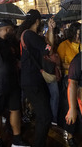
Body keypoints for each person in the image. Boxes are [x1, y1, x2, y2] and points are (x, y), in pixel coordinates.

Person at [17, 9, 55, 147]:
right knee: (45, 116)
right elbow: (49, 50)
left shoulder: (27, 34)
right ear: (38, 21)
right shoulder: (30, 35)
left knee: (42, 115)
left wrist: (50, 29)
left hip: (33, 80)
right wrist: (50, 31)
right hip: (32, 81)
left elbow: (48, 47)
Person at [57, 22, 82, 146]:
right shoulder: (64, 45)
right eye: (77, 34)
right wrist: (74, 66)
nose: (78, 37)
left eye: (80, 34)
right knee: (70, 107)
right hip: (69, 79)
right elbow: (59, 64)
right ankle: (70, 134)